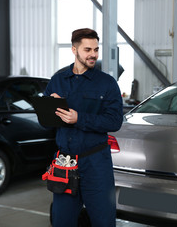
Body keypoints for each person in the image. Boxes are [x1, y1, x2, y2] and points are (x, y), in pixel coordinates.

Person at [44, 28, 123, 227]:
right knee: (62, 221)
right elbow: (44, 122)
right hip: (65, 162)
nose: (93, 54)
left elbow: (114, 121)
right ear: (74, 49)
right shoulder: (58, 80)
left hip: (96, 163)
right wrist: (51, 109)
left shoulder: (107, 83)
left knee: (103, 221)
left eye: (96, 49)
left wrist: (78, 118)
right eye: (88, 49)